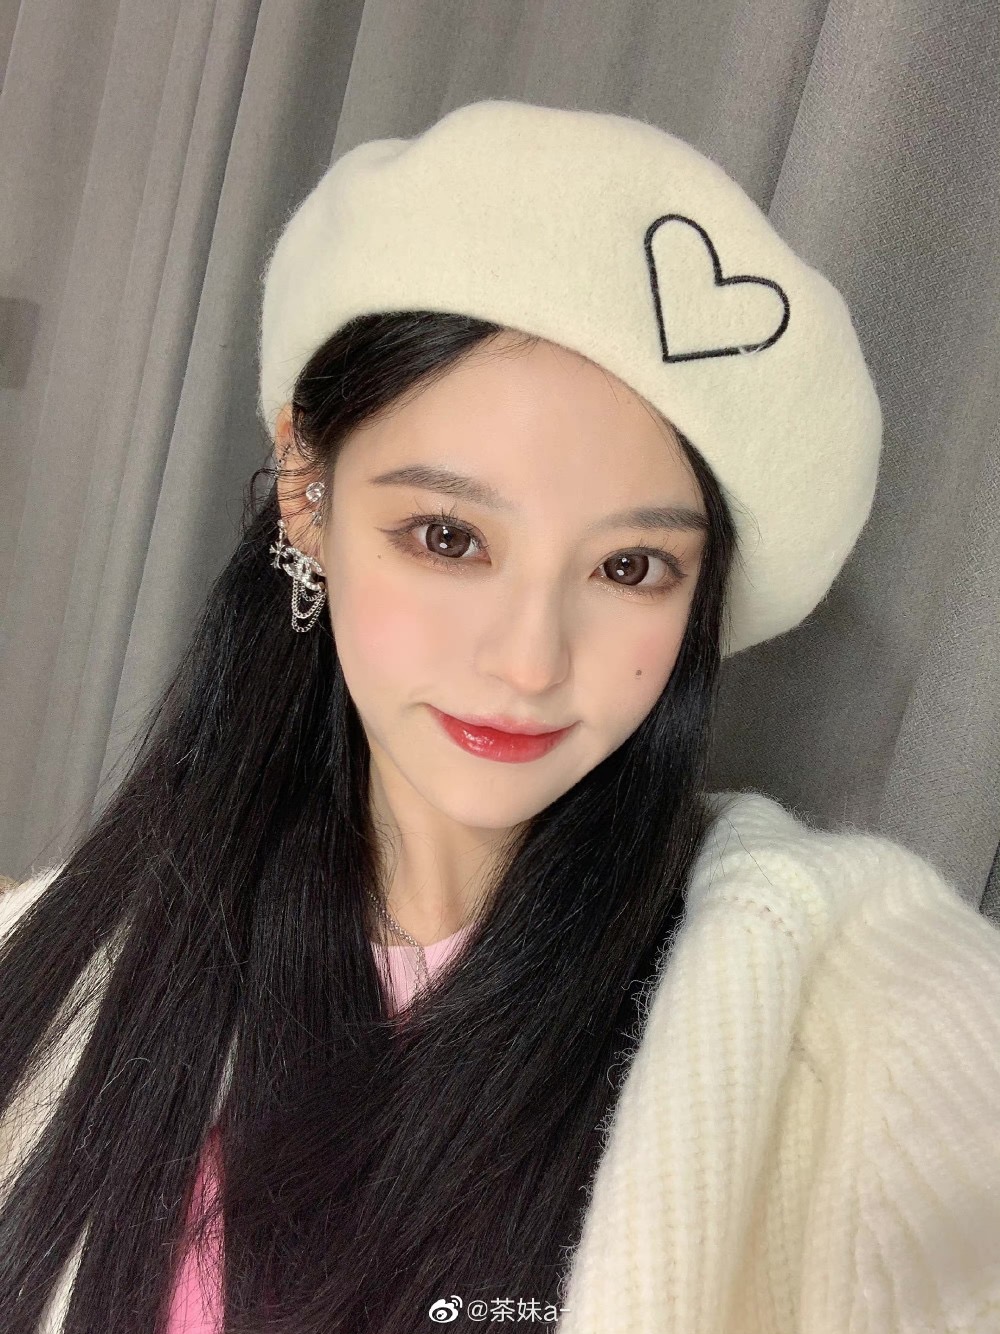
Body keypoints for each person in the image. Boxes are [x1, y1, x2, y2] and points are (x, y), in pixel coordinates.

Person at [1, 98, 998, 1334]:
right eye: (447, 535)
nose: (529, 661)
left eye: (629, 567)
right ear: (306, 492)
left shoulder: (821, 991)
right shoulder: (70, 952)